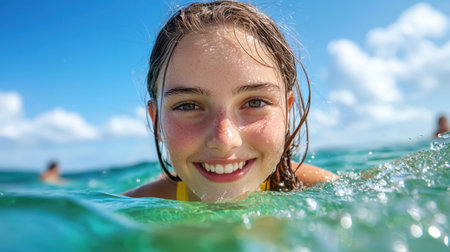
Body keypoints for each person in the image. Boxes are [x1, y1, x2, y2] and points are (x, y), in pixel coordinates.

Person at [123, 0, 337, 202]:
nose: (224, 141)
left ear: (286, 112)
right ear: (156, 121)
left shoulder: (325, 192)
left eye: (255, 102)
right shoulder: (128, 211)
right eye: (188, 106)